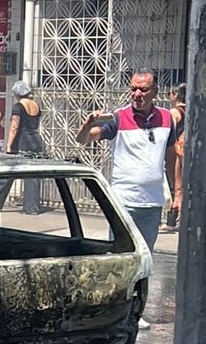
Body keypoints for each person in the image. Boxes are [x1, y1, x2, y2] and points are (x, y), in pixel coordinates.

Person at [75, 68, 178, 330]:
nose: (137, 94)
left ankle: (135, 312)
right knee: (119, 259)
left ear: (155, 92)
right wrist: (87, 124)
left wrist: (178, 192)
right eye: (133, 89)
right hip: (123, 203)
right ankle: (113, 312)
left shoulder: (167, 119)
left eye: (143, 89)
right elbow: (83, 139)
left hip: (152, 204)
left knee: (144, 261)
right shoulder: (118, 118)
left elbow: (171, 158)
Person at [0, 80, 42, 215]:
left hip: (22, 142)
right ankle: (32, 208)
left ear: (17, 94)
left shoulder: (18, 107)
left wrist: (8, 146)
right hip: (36, 142)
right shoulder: (36, 105)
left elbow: (14, 127)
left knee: (7, 172)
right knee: (32, 176)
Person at [162, 83, 187, 232]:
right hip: (185, 151)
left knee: (175, 187)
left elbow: (168, 131)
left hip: (175, 151)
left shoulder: (174, 112)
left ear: (176, 94)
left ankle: (172, 221)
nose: (169, 97)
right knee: (182, 187)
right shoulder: (190, 109)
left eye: (169, 94)